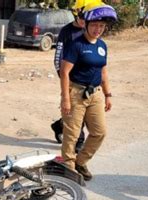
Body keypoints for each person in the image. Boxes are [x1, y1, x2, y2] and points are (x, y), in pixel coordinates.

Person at [59, 4, 117, 181]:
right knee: (72, 134)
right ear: (86, 24)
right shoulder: (76, 44)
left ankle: (80, 161)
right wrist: (65, 99)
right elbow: (64, 72)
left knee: (99, 132)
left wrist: (108, 94)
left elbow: (103, 71)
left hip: (96, 94)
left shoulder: (102, 46)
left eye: (101, 26)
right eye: (94, 25)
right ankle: (68, 167)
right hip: (76, 92)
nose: (98, 29)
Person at [51, 0, 103, 151]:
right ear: (76, 14)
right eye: (83, 17)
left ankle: (59, 125)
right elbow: (58, 57)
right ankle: (78, 143)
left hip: (89, 83)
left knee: (78, 113)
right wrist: (64, 81)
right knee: (74, 112)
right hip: (71, 80)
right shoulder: (66, 32)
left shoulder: (92, 32)